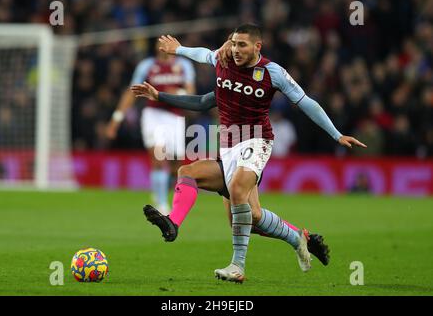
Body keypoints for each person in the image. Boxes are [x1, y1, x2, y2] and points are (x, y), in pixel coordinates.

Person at [136, 24, 366, 283]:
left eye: (242, 45)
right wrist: (164, 83)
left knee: (237, 193)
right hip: (228, 148)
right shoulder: (223, 60)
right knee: (242, 212)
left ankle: (237, 266)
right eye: (233, 43)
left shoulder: (272, 72)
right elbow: (202, 92)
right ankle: (174, 223)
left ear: (258, 46)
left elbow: (306, 102)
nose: (235, 50)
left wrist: (336, 134)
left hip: (257, 141)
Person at [106, 40, 196, 214]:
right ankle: (162, 204)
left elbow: (191, 93)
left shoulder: (184, 65)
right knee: (159, 157)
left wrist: (176, 93)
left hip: (175, 117)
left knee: (176, 163)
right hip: (153, 116)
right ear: (155, 47)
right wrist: (116, 119)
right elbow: (131, 92)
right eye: (159, 44)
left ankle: (160, 189)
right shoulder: (147, 66)